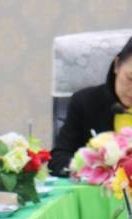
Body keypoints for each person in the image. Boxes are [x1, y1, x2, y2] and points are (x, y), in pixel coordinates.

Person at [50, 35, 132, 175]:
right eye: (130, 78)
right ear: (116, 65)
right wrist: (87, 165)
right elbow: (58, 158)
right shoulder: (85, 102)